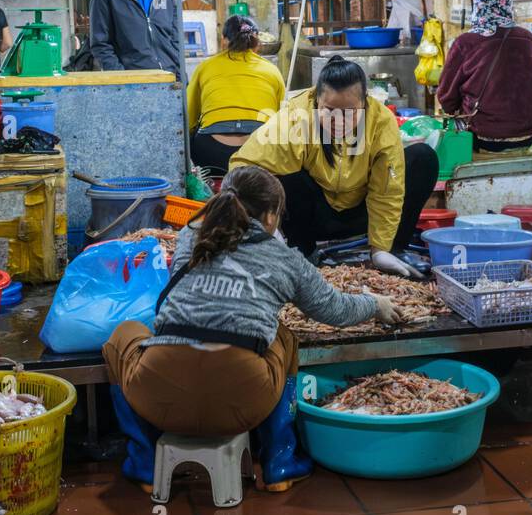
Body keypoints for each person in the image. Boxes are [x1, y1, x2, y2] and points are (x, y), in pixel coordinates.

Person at [102, 165, 400, 491]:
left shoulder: (190, 236)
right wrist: (376, 304)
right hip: (243, 403)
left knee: (122, 336)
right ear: (271, 217)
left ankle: (145, 464)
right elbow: (334, 309)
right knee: (283, 336)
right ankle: (280, 463)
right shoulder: (285, 260)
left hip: (159, 398)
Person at [230, 55, 440, 277]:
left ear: (365, 102)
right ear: (315, 100)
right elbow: (241, 168)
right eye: (328, 111)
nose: (339, 120)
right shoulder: (295, 115)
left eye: (350, 112)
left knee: (422, 157)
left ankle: (394, 250)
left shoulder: (381, 121)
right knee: (284, 176)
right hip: (312, 217)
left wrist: (380, 249)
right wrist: (268, 230)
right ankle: (303, 252)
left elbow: (387, 190)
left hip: (363, 214)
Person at [437, 0, 532, 152]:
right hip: (530, 134)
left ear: (479, 2)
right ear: (508, 2)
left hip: (485, 137)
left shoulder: (466, 43)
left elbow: (446, 98)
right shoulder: (527, 39)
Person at [186, 15, 285, 174]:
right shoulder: (272, 70)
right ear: (257, 41)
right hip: (258, 151)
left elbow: (188, 119)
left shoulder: (205, 67)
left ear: (224, 39)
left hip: (210, 151)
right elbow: (280, 120)